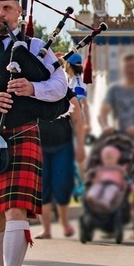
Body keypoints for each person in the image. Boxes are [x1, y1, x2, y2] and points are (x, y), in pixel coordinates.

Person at [0, 0, 68, 266]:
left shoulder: (36, 48)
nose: (1, 14)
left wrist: (32, 87)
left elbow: (60, 87)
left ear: (19, 11)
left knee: (16, 205)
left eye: (7, 8)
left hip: (21, 131)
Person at [98, 53, 134, 195]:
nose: (130, 70)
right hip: (120, 145)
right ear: (122, 69)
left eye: (133, 67)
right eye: (127, 67)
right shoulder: (115, 90)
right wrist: (105, 126)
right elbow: (102, 112)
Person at [35, 86, 86, 239]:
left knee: (62, 185)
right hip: (39, 147)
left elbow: (77, 121)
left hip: (63, 146)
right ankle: (46, 229)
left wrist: (81, 146)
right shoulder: (33, 90)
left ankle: (64, 223)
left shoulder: (67, 93)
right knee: (42, 188)